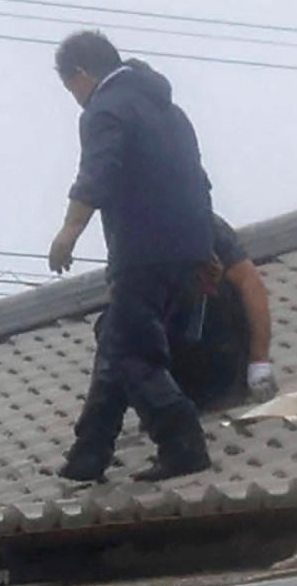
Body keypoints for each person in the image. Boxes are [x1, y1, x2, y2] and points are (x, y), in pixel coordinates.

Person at [46, 29, 219, 483]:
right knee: (118, 337)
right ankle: (89, 453)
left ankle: (182, 442)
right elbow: (198, 179)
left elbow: (99, 172)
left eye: (71, 88)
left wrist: (69, 231)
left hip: (144, 248)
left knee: (132, 351)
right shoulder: (170, 111)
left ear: (81, 74)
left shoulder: (106, 109)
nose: (75, 99)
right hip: (188, 244)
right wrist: (206, 248)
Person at [178, 217, 279, 411]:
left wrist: (259, 363)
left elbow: (248, 281)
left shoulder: (199, 221)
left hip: (216, 346)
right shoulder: (130, 234)